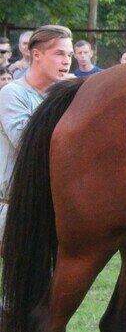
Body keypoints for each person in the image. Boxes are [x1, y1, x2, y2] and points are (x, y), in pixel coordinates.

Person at [0, 25, 74, 242]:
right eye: (59, 53)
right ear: (36, 55)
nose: (67, 61)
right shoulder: (13, 94)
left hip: (50, 206)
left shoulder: (64, 97)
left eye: (69, 55)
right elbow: (27, 144)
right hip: (14, 209)